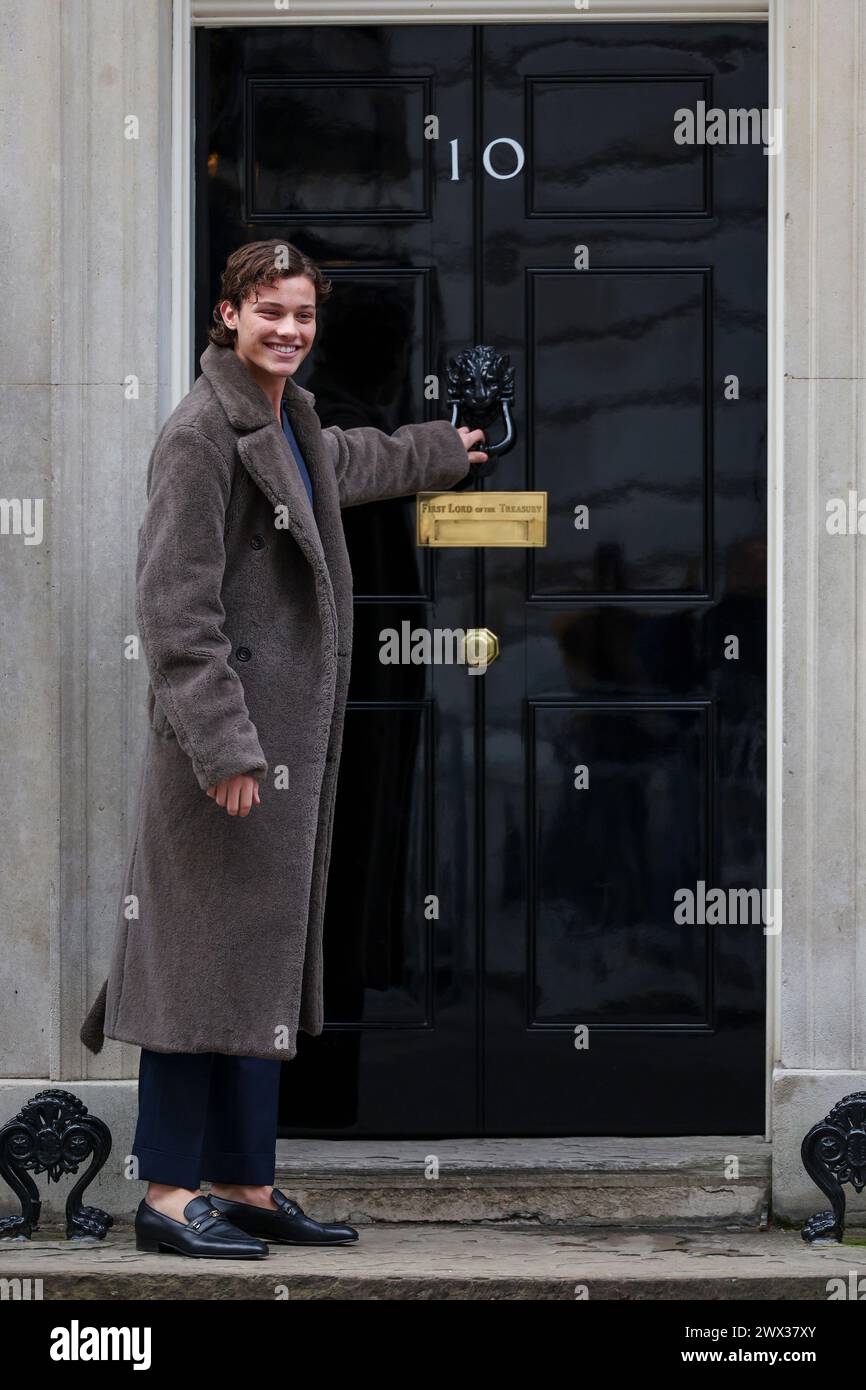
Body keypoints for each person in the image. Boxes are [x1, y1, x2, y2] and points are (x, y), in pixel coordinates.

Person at [80, 239, 487, 1257]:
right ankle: (166, 1197)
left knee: (255, 968)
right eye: (269, 311)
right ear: (228, 315)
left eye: (302, 315)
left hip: (279, 760)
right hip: (219, 760)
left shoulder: (286, 417)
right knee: (191, 970)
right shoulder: (198, 433)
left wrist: (452, 446)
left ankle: (243, 1181)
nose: (288, 331)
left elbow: (355, 462)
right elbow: (174, 613)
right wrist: (222, 747)